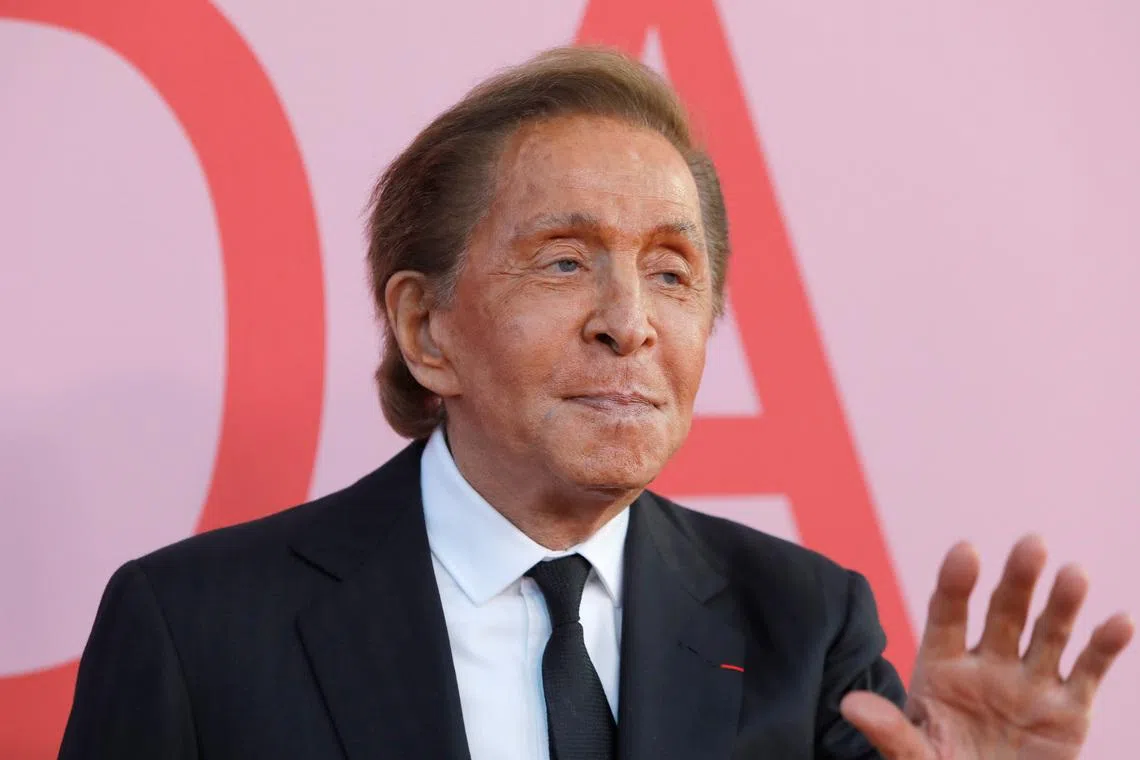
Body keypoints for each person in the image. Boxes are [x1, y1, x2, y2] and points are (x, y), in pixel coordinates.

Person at [60, 47, 1132, 760]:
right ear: (427, 329)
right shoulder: (196, 632)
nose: (631, 322)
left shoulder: (806, 630)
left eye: (672, 273)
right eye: (567, 261)